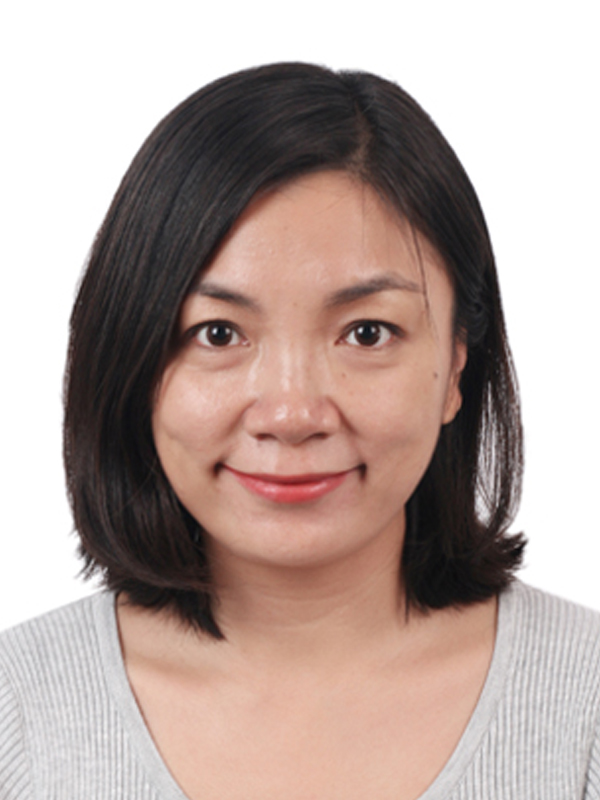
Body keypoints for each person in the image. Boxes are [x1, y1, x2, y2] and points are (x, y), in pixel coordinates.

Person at [1, 62, 599, 799]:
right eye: (219, 333)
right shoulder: (16, 711)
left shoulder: (585, 706)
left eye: (368, 332)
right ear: (132, 360)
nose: (291, 415)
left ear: (455, 365)